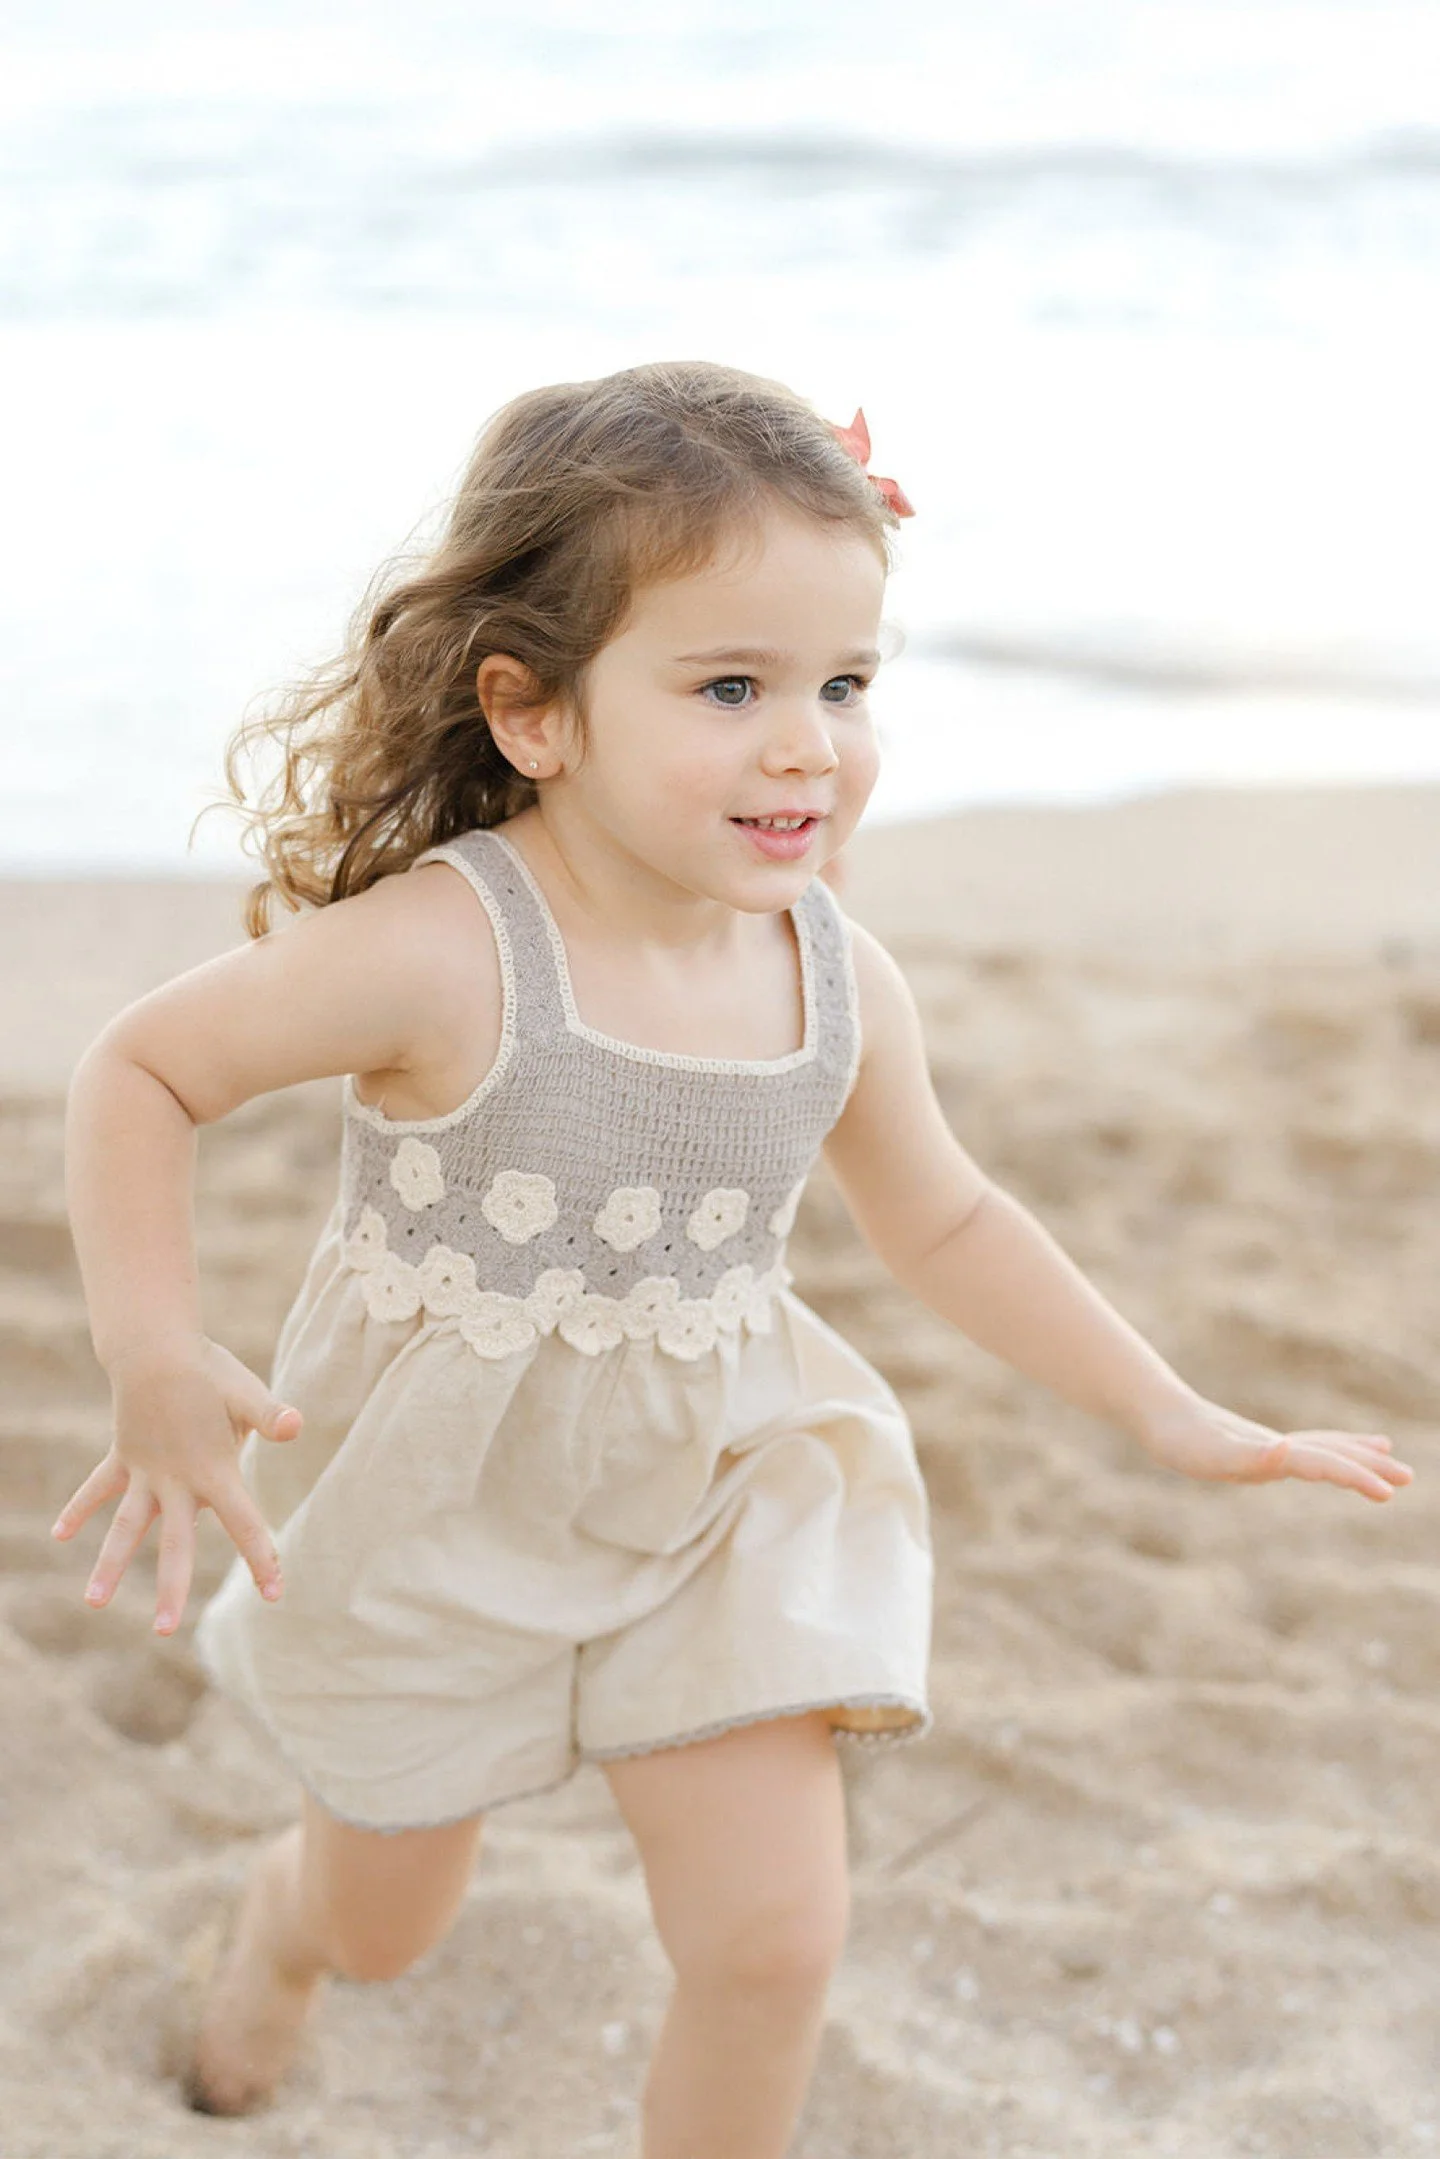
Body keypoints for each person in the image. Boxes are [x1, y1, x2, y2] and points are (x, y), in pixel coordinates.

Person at [54, 360, 1413, 2158]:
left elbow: (946, 1214)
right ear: (536, 714)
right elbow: (140, 1069)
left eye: (848, 686)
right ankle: (284, 1937)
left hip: (718, 1489)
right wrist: (157, 1354)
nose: (810, 745)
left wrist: (1167, 1413)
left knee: (774, 1943)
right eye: (733, 686)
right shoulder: (447, 952)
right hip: (436, 1507)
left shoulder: (835, 970)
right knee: (389, 1922)